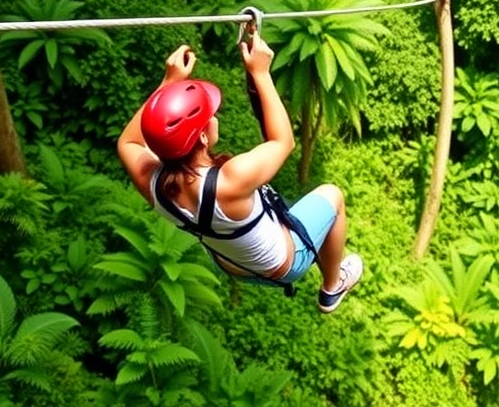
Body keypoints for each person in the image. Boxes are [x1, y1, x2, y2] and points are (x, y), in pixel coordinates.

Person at [117, 40, 362, 313]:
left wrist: (168, 83)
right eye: (211, 114)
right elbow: (284, 142)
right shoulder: (230, 180)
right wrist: (261, 73)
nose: (215, 118)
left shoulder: (152, 183)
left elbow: (128, 143)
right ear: (200, 135)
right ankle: (332, 286)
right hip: (283, 265)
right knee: (333, 195)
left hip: (234, 265)